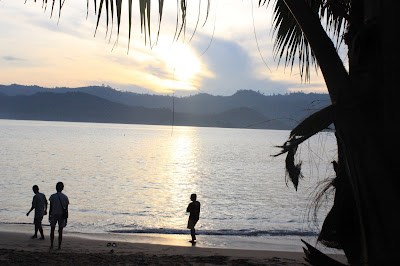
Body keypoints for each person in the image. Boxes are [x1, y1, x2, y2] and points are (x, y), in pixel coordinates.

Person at [49, 182, 69, 250]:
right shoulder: (65, 197)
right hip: (61, 215)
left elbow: (51, 207)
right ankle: (59, 246)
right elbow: (66, 209)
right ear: (63, 188)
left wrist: (49, 215)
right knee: (60, 231)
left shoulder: (52, 196)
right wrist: (66, 218)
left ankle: (51, 244)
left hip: (54, 214)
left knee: (52, 229)